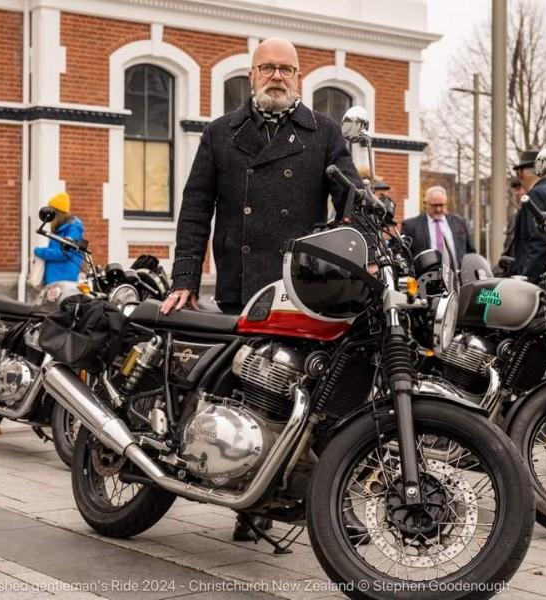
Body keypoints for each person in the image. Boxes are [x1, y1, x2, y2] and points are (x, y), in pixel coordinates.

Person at [160, 37, 366, 540]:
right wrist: (185, 277)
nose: (277, 76)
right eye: (268, 68)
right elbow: (195, 208)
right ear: (251, 75)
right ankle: (249, 502)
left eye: (286, 69)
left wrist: (367, 248)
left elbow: (353, 201)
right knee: (248, 391)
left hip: (304, 287)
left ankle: (324, 493)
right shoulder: (220, 133)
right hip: (243, 282)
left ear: (299, 78)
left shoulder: (323, 133)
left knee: (318, 394)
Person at [512, 149, 546, 283]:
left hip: (542, 280)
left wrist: (528, 279)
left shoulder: (536, 194)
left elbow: (540, 242)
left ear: (521, 173)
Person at [400, 185, 476, 268]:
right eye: (434, 205)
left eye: (441, 205)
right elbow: (403, 254)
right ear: (425, 204)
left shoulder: (459, 222)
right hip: (426, 274)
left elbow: (471, 251)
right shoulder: (411, 226)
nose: (438, 209)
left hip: (457, 273)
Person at [33, 192, 85, 285]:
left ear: (56, 213)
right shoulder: (62, 229)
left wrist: (40, 252)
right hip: (56, 279)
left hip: (63, 280)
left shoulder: (72, 229)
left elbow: (65, 253)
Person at [492, 178, 524, 276]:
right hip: (510, 271)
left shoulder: (535, 218)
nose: (517, 194)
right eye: (515, 190)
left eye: (519, 189)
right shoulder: (515, 218)